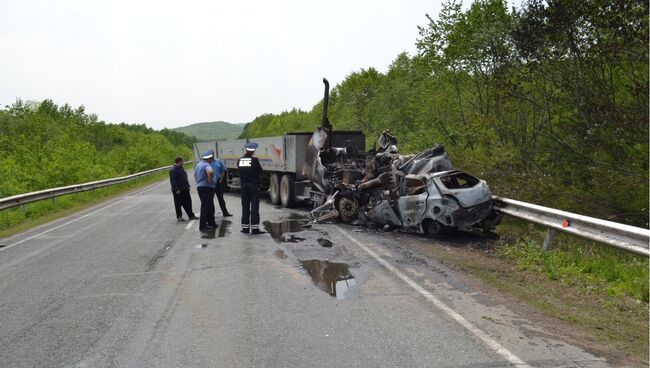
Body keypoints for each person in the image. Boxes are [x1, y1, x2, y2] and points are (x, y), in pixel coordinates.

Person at [237, 142, 264, 234]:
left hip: (243, 186)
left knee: (245, 207)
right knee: (254, 207)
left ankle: (245, 228)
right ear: (253, 151)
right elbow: (260, 171)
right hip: (253, 186)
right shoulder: (255, 160)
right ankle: (255, 228)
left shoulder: (239, 160)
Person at [169, 157, 198, 222]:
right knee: (178, 204)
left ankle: (191, 215)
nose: (183, 163)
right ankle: (179, 216)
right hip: (178, 190)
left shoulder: (181, 168)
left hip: (185, 189)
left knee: (188, 202)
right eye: (182, 161)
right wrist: (176, 189)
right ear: (179, 162)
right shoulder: (173, 170)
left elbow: (184, 178)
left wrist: (188, 185)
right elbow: (173, 180)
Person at [194, 150, 217, 232]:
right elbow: (210, 172)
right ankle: (203, 225)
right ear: (209, 158)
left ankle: (211, 223)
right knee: (206, 206)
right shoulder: (206, 165)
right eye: (211, 159)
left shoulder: (198, 164)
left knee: (209, 206)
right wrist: (210, 180)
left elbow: (195, 175)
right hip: (207, 188)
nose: (212, 160)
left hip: (201, 187)